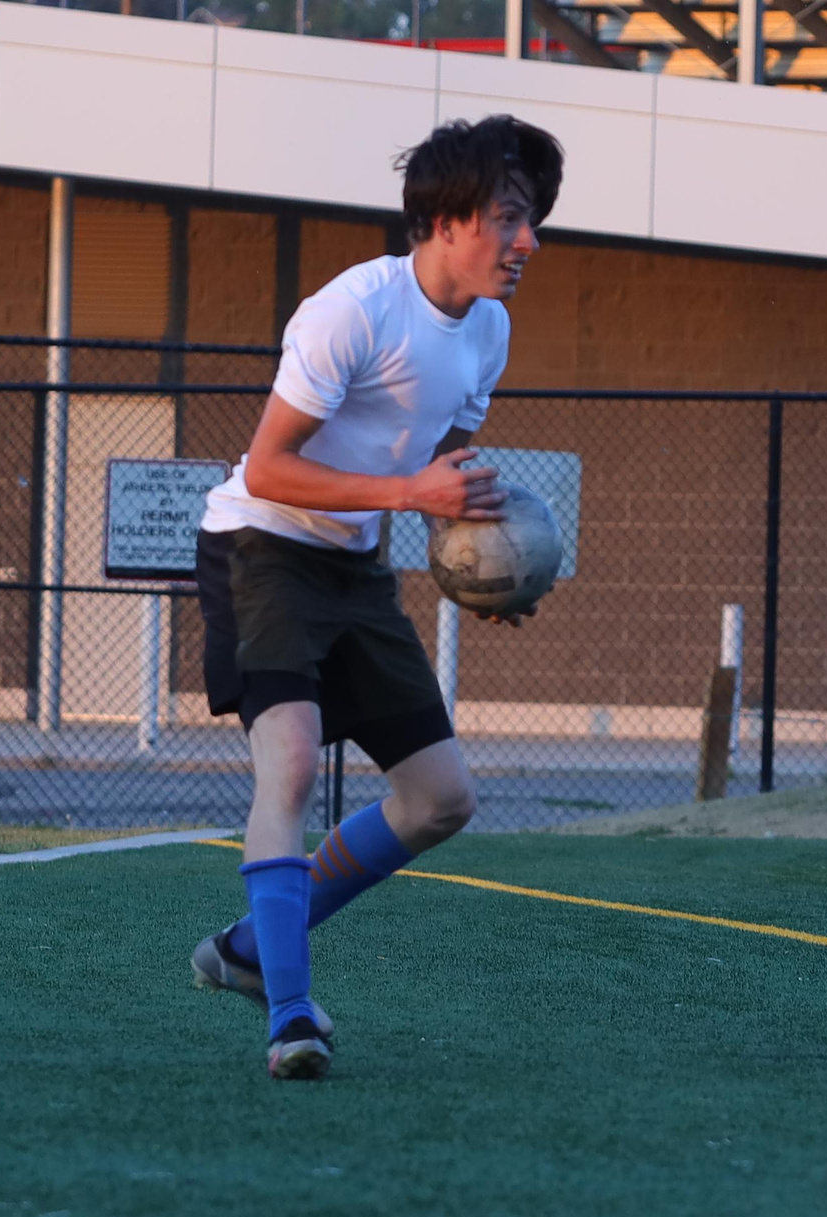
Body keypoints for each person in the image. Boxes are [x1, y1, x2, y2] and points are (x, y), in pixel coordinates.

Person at [189, 113, 563, 1080]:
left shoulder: (489, 331)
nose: (529, 241)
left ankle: (244, 947)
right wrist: (410, 496)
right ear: (445, 219)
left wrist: (482, 563)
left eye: (535, 220)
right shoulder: (352, 308)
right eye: (510, 218)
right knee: (295, 763)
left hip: (352, 564)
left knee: (441, 799)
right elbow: (269, 466)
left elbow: (440, 464)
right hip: (259, 546)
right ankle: (289, 1012)